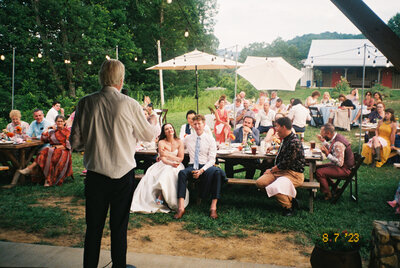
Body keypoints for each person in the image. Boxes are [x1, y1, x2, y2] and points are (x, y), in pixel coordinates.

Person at [70, 59, 157, 267]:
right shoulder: (130, 104)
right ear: (120, 80)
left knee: (93, 229)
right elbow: (148, 136)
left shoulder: (85, 102)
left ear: (101, 77)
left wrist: (92, 141)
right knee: (119, 228)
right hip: (122, 175)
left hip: (95, 176)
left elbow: (74, 142)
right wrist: (153, 119)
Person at [174, 114, 224, 220]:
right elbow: (177, 147)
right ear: (192, 125)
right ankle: (181, 207)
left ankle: (213, 207)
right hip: (192, 165)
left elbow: (211, 160)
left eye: (199, 124)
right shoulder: (188, 138)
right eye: (195, 124)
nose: (197, 126)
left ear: (204, 124)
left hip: (206, 166)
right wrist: (163, 154)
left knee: (217, 173)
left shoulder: (210, 139)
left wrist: (201, 170)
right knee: (182, 173)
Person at [131, 123, 188, 213]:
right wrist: (169, 161)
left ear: (173, 129)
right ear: (164, 132)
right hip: (164, 164)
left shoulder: (179, 142)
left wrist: (167, 154)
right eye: (167, 129)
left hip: (177, 165)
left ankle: (162, 196)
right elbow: (163, 158)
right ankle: (160, 195)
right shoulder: (161, 142)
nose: (170, 130)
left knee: (170, 172)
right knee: (162, 171)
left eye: (171, 128)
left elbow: (180, 158)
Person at [255, 117, 305, 216]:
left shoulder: (294, 142)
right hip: (280, 172)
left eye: (277, 126)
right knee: (260, 183)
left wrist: (271, 170)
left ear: (283, 127)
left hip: (293, 174)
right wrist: (274, 147)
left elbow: (285, 163)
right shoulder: (287, 138)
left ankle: (288, 207)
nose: (276, 129)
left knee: (276, 186)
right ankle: (291, 198)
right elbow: (284, 147)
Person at [18, 115, 73, 186]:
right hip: (52, 150)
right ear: (55, 122)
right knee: (47, 154)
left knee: (48, 152)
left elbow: (68, 145)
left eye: (61, 121)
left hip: (63, 151)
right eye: (58, 121)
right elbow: (43, 138)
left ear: (64, 122)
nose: (59, 123)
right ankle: (47, 180)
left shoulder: (67, 132)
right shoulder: (52, 132)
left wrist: (56, 148)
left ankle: (31, 169)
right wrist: (47, 129)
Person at [315, 123, 355, 200]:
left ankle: (328, 194)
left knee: (319, 172)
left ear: (328, 133)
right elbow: (333, 148)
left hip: (345, 170)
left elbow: (339, 163)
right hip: (344, 166)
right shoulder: (336, 137)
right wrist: (323, 141)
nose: (321, 135)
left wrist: (327, 154)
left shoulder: (338, 143)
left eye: (322, 133)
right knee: (316, 168)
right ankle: (335, 188)